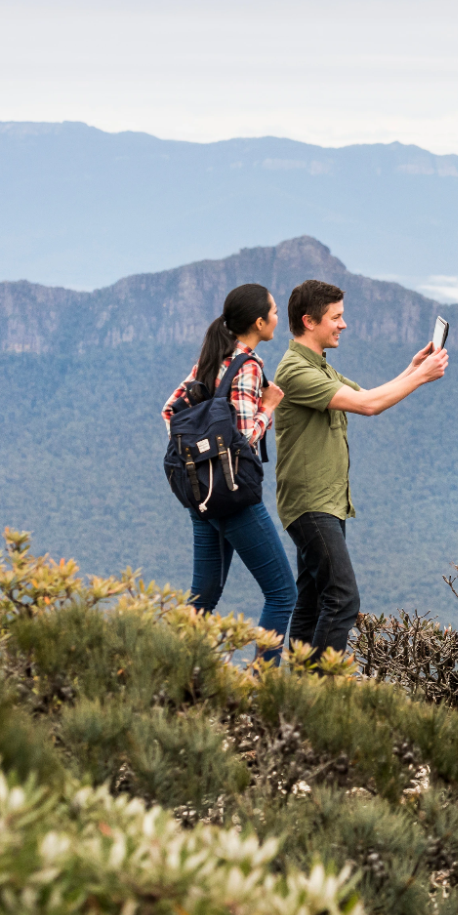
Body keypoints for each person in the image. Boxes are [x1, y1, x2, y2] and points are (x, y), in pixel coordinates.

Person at [274, 278, 448, 658]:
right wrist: (422, 376)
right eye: (336, 317)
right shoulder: (295, 372)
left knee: (315, 599)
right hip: (311, 504)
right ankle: (323, 690)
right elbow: (368, 406)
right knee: (342, 597)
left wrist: (412, 368)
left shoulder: (318, 367)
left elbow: (366, 395)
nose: (343, 324)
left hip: (326, 503)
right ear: (309, 321)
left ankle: (300, 691)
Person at [162, 283, 297, 661]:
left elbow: (170, 413)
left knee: (203, 596)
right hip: (232, 498)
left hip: (199, 494)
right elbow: (240, 439)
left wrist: (199, 446)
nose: (276, 318)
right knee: (282, 593)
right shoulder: (249, 366)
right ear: (258, 322)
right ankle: (261, 684)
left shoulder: (210, 358)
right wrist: (268, 407)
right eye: (272, 312)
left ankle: (172, 670)